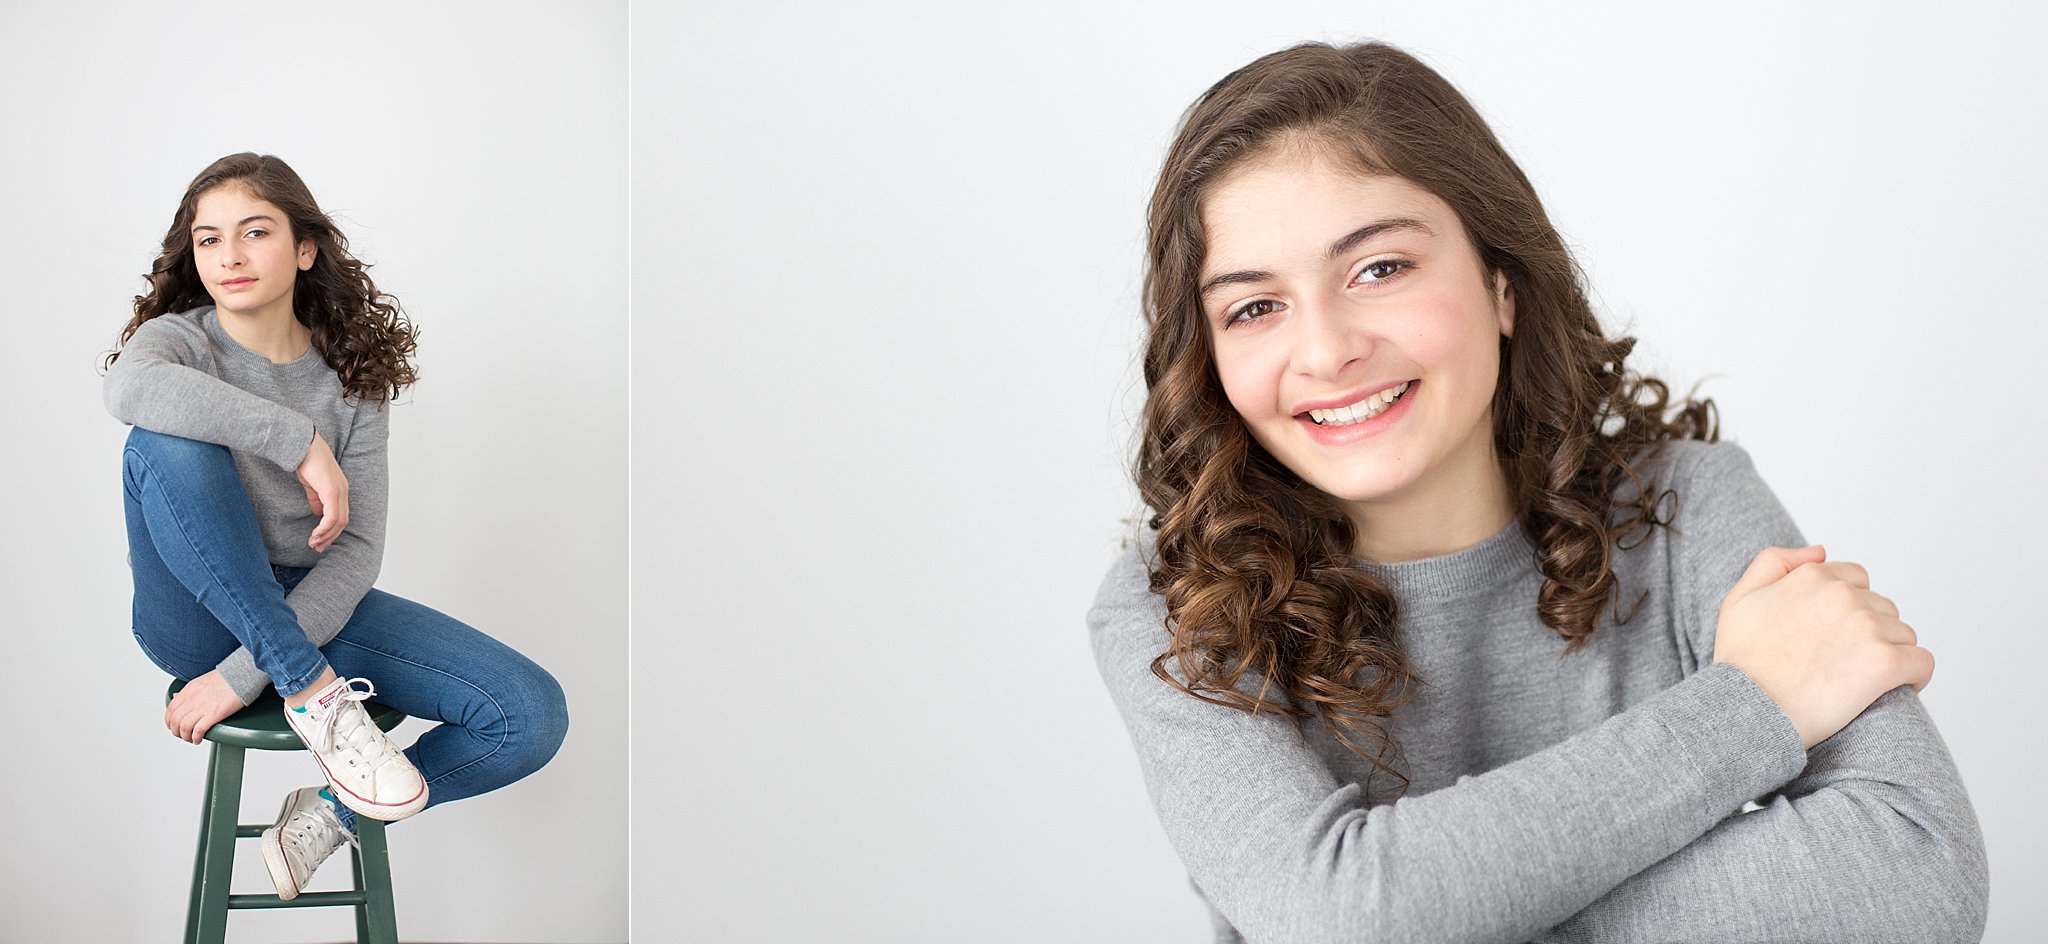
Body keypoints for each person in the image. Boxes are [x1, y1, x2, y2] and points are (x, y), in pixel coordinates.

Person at [1089, 42, 1986, 943]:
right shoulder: (1173, 607)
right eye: (1255, 308)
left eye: (1379, 269)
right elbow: (1338, 917)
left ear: (1500, 283)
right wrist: (1754, 702)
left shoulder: (1687, 508)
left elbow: (1919, 873)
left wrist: (1452, 910)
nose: (1325, 352)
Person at [106, 153, 569, 901]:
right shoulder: (179, 344)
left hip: (309, 602)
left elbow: (355, 553)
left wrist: (240, 678)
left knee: (529, 713)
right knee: (161, 437)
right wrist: (298, 439)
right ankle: (314, 692)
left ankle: (334, 811)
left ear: (305, 248)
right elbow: (128, 389)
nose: (228, 255)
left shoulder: (352, 376)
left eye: (254, 232)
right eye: (208, 238)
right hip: (195, 617)